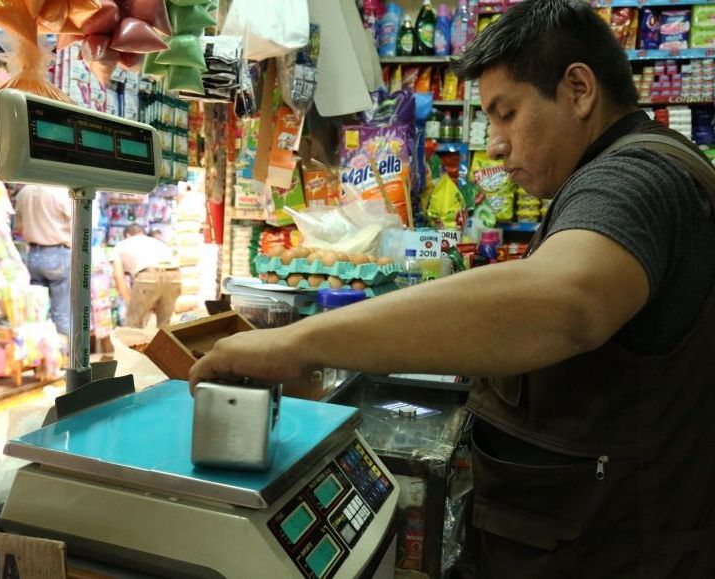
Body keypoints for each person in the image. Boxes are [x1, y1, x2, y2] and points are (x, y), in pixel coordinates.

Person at [189, 1, 715, 577]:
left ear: (579, 90)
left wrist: (299, 343)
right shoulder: (623, 173)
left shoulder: (633, 179)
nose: (494, 145)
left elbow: (562, 303)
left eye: (506, 113)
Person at [15, 184, 72, 337]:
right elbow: (78, 222)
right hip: (58, 253)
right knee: (61, 313)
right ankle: (62, 357)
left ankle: (40, 353)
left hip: (32, 254)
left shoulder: (23, 192)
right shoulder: (60, 191)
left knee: (36, 311)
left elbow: (19, 227)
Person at [112, 224, 181, 328]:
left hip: (148, 276)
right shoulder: (157, 242)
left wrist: (131, 303)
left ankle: (134, 343)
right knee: (165, 326)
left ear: (127, 235)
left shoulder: (120, 245)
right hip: (174, 275)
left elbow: (118, 276)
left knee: (134, 325)